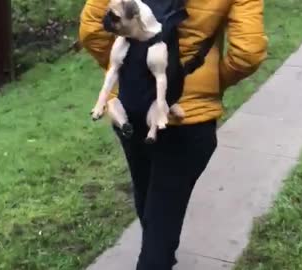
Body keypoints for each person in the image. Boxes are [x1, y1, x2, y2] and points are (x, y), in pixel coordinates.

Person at [78, 0, 268, 269]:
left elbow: (92, 32)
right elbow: (247, 54)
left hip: (133, 109)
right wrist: (208, 87)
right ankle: (159, 255)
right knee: (161, 215)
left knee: (148, 197)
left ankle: (160, 251)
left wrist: (131, 74)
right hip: (189, 119)